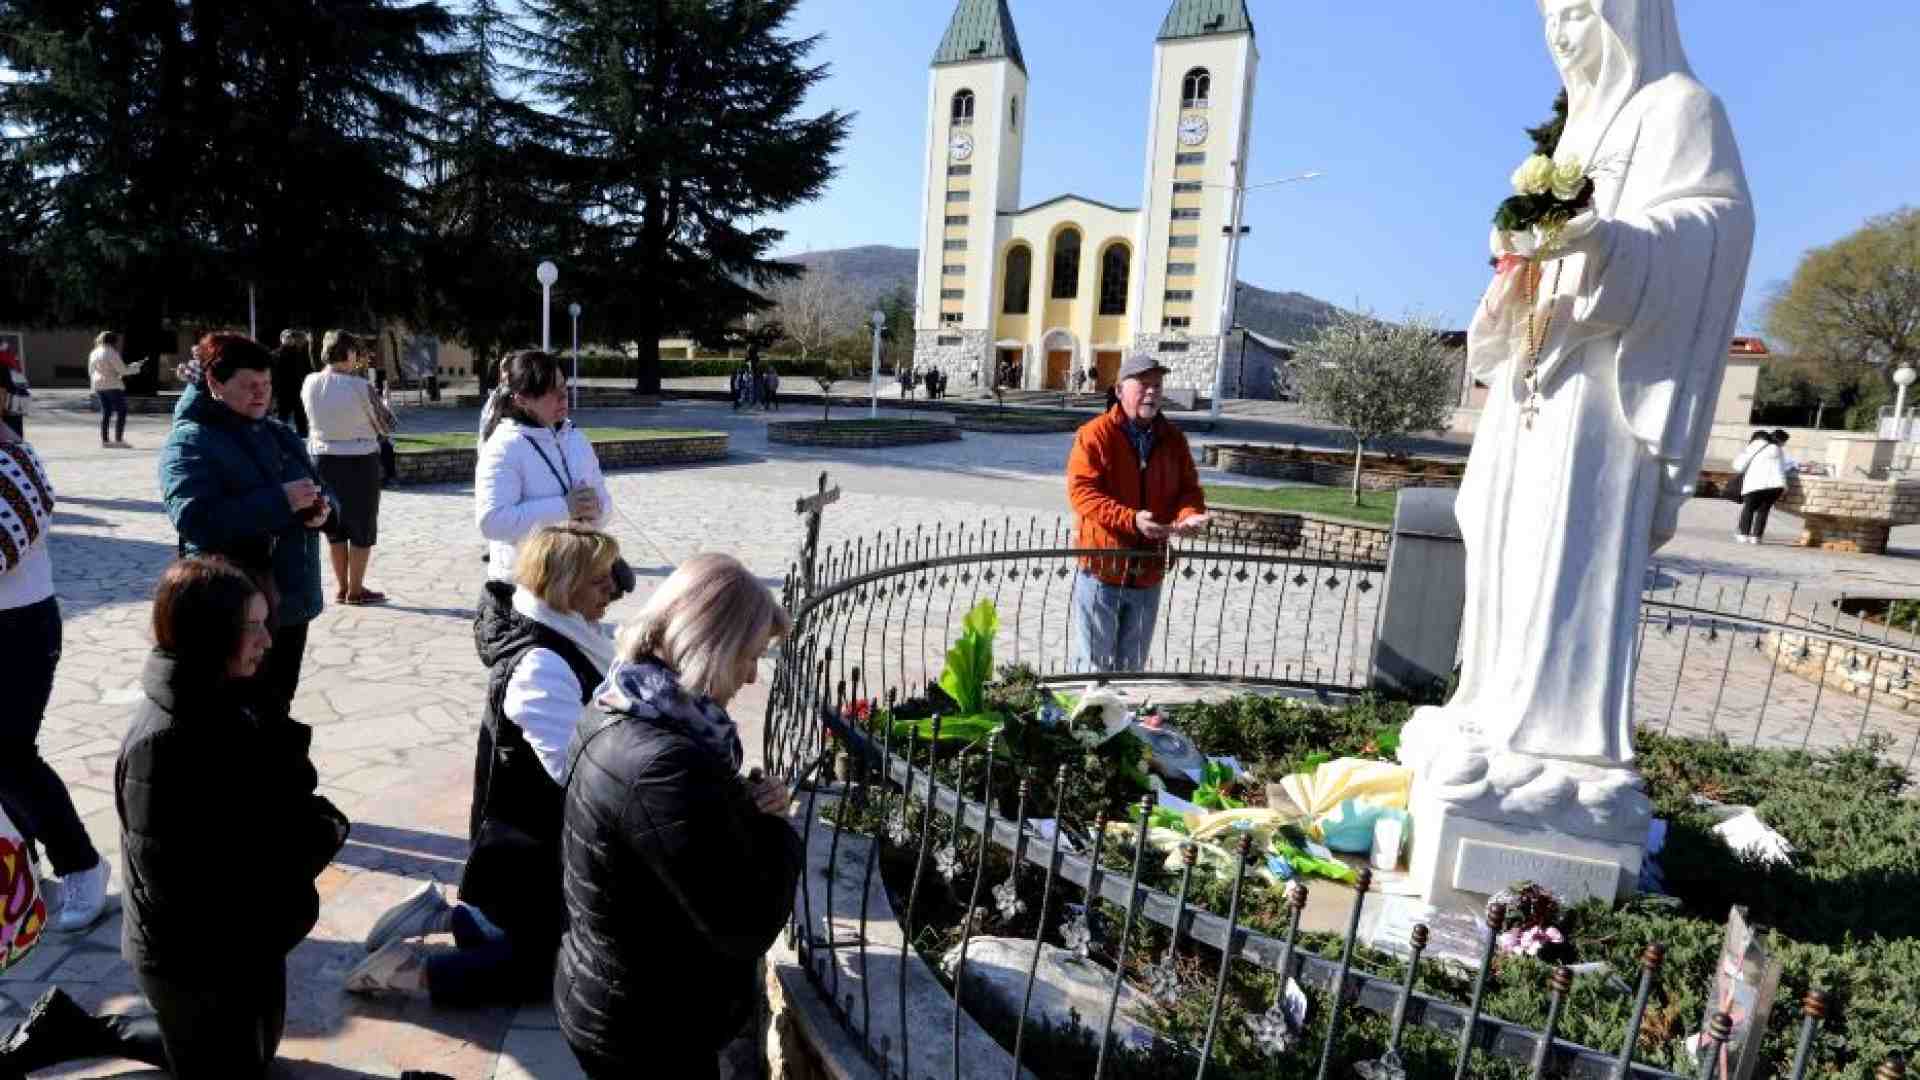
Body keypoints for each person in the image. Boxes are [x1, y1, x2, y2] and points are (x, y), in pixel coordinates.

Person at [1398, 0, 1754, 773]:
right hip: (1536, 374)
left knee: (1562, 554)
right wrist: (1518, 257)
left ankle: (1554, 741)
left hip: (1598, 395)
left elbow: (1719, 228)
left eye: (1578, 13)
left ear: (1626, 17)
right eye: (1551, 15)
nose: (1560, 32)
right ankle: (1489, 705)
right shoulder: (1580, 132)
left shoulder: (1682, 108)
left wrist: (1609, 244)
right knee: (1498, 531)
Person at [347, 525, 620, 1003]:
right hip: (528, 849)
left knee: (567, 950)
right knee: (556, 970)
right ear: (564, 586)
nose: (613, 589)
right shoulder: (542, 663)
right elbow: (572, 768)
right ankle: (411, 973)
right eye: (599, 580)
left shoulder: (573, 635)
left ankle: (453, 919)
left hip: (540, 844)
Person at [555, 553, 800, 1080]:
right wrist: (778, 829)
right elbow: (743, 924)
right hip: (648, 1028)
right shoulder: (668, 763)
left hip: (607, 990)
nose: (752, 676)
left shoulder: (619, 700)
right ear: (712, 645)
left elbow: (659, 848)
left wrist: (735, 804)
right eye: (749, 657)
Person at [115, 556, 349, 1077]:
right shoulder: (164, 744)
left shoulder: (234, 695)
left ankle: (186, 1043)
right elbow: (182, 888)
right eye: (253, 627)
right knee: (233, 1068)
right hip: (191, 957)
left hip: (244, 935)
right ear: (210, 633)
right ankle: (89, 1030)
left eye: (267, 622)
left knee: (257, 1053)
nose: (267, 640)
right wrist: (303, 849)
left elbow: (284, 791)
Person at [160, 332, 335, 724]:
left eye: (267, 384)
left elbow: (320, 487)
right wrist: (281, 501)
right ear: (215, 383)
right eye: (249, 385)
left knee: (275, 714)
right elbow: (195, 518)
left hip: (290, 603)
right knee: (233, 720)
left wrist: (323, 512)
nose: (261, 394)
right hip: (232, 609)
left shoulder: (277, 433)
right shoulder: (191, 441)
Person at [0, 378, 110, 934]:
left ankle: (82, 865)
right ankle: (24, 867)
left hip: (17, 629)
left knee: (9, 755)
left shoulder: (15, 464)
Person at [1065, 354, 1209, 672]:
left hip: (1148, 573)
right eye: (1143, 385)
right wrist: (1130, 519)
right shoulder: (1095, 434)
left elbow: (1188, 490)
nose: (1152, 392)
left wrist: (1188, 515)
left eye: (1157, 385)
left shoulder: (1173, 440)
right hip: (1103, 570)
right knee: (1094, 671)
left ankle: (1123, 705)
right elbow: (1082, 493)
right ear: (1119, 390)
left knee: (1131, 670)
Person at [475, 350, 611, 586]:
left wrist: (598, 510)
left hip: (574, 582)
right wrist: (564, 508)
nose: (562, 396)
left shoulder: (576, 439)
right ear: (522, 400)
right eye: (550, 391)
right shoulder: (504, 446)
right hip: (522, 588)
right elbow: (492, 521)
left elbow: (604, 503)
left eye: (563, 386)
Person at [302, 331, 388, 605]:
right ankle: (356, 590)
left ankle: (341, 587)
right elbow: (385, 424)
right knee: (362, 526)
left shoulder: (309, 382)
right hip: (360, 459)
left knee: (335, 527)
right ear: (349, 353)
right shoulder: (360, 386)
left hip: (323, 459)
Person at [1731, 430, 1793, 545]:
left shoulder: (1754, 446)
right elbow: (1785, 467)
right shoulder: (1778, 449)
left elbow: (1738, 466)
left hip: (1755, 484)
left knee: (1749, 508)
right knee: (1763, 510)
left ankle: (1743, 535)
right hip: (1776, 486)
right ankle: (1756, 537)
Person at [88, 331, 141, 449]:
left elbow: (91, 371)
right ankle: (118, 439)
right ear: (113, 341)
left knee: (106, 411)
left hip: (98, 385)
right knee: (122, 411)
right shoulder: (111, 352)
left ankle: (105, 440)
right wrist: (134, 368)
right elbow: (122, 370)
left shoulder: (94, 352)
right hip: (112, 385)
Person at [271, 330, 312, 436]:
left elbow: (307, 371)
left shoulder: (301, 354)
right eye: (287, 337)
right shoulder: (275, 355)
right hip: (283, 392)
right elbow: (273, 375)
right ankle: (279, 437)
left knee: (301, 419)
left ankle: (302, 438)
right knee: (282, 418)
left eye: (291, 337)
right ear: (281, 339)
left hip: (298, 390)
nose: (289, 339)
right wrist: (273, 393)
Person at [1, 340, 28, 438]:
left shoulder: (3, 365)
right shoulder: (11, 361)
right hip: (15, 406)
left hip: (7, 411)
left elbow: (2, 392)